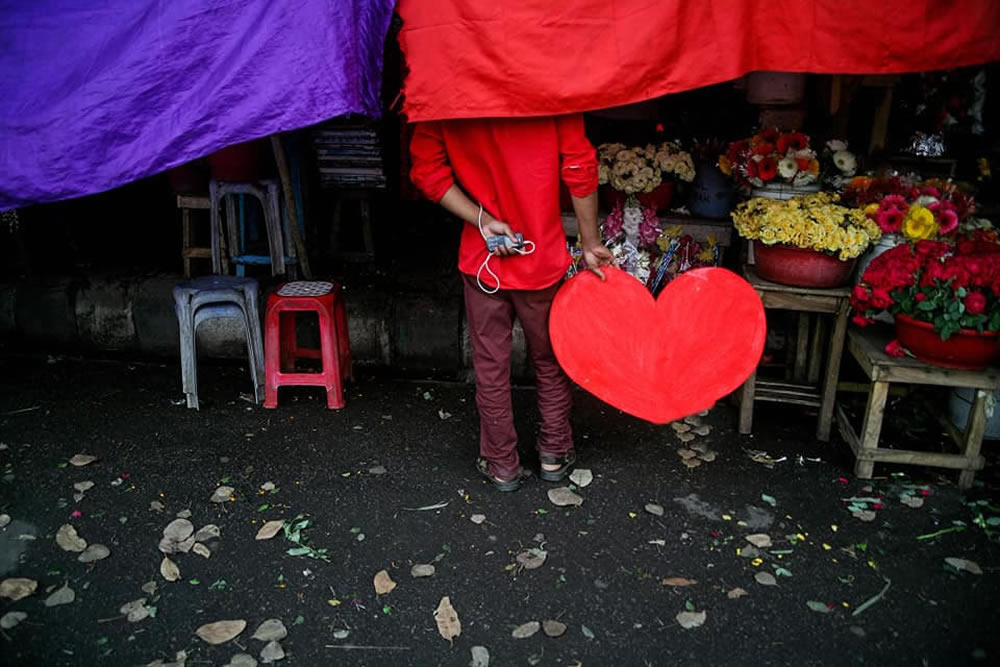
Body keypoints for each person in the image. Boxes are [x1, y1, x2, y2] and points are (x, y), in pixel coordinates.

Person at [409, 114, 612, 491]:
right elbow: (579, 165)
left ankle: (502, 463)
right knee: (551, 359)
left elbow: (426, 172)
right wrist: (590, 242)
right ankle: (554, 452)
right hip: (541, 260)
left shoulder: (444, 89)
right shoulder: (552, 84)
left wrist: (482, 220)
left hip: (482, 261)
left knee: (490, 364)